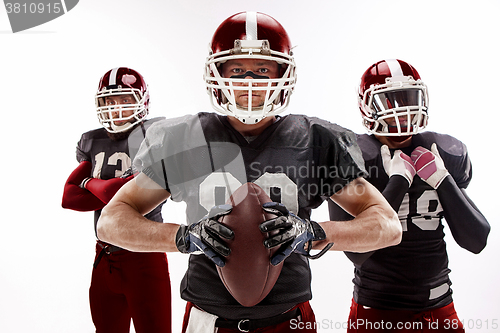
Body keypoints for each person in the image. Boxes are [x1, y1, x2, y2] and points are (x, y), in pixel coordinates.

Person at [96, 12, 402, 333]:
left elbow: (387, 225)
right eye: (238, 69)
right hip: (207, 317)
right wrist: (183, 238)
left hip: (290, 318)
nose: (250, 81)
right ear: (216, 73)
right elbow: (111, 221)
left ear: (283, 73)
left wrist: (313, 233)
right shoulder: (184, 138)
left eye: (262, 69)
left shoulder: (316, 140)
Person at [328, 59, 490, 332]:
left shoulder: (442, 152)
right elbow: (356, 253)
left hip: (441, 307)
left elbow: (476, 240)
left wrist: (442, 179)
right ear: (368, 107)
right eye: (389, 103)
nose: (401, 113)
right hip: (378, 312)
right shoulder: (353, 157)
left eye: (407, 100)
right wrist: (399, 182)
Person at [61, 67, 172, 333]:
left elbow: (115, 194)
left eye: (125, 100)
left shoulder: (155, 135)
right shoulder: (91, 140)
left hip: (145, 256)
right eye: (110, 101)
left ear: (142, 101)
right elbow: (69, 197)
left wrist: (88, 183)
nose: (116, 108)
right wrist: (103, 188)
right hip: (104, 255)